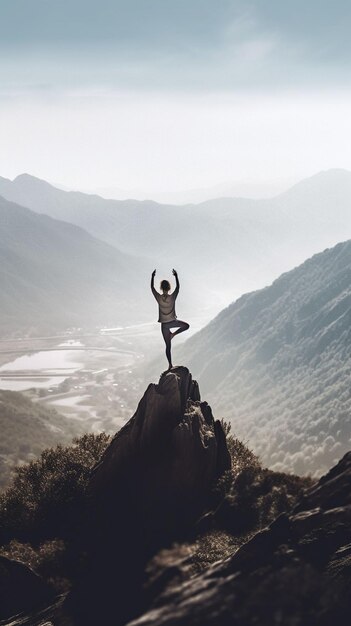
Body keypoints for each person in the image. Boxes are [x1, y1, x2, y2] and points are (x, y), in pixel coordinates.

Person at [151, 268, 189, 369]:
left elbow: (152, 288)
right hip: (173, 322)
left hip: (164, 325)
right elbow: (178, 287)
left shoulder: (158, 298)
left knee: (168, 346)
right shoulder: (172, 297)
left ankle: (170, 365)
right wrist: (176, 276)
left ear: (161, 288)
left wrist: (152, 276)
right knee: (186, 326)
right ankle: (173, 334)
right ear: (169, 288)